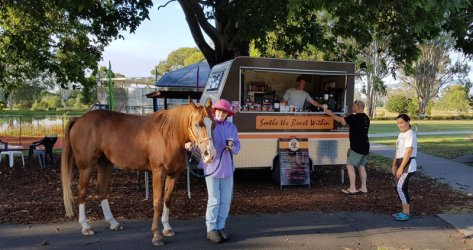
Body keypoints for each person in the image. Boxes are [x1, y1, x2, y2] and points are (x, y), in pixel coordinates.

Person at [185, 99, 240, 244]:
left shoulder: (232, 127)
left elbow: (238, 146)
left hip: (228, 168)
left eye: (225, 111)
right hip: (211, 168)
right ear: (215, 111)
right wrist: (191, 146)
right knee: (214, 200)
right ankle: (211, 229)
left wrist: (232, 147)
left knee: (226, 200)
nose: (221, 113)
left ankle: (220, 227)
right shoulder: (209, 123)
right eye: (219, 111)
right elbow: (202, 142)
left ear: (228, 114)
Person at [325, 100, 370, 195]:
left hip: (357, 147)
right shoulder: (366, 118)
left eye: (354, 106)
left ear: (359, 107)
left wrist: (330, 113)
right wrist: (345, 119)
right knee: (361, 166)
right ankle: (363, 188)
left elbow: (341, 120)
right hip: (365, 146)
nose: (352, 108)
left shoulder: (354, 117)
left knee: (349, 165)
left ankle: (352, 188)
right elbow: (346, 122)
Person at [391, 113, 417, 221]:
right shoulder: (401, 134)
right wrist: (394, 164)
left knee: (400, 188)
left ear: (408, 122)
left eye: (401, 122)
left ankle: (406, 213)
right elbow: (398, 151)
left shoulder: (410, 134)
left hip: (407, 164)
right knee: (401, 188)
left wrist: (401, 167)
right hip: (400, 162)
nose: (400, 125)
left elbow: (408, 151)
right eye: (398, 123)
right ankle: (404, 211)